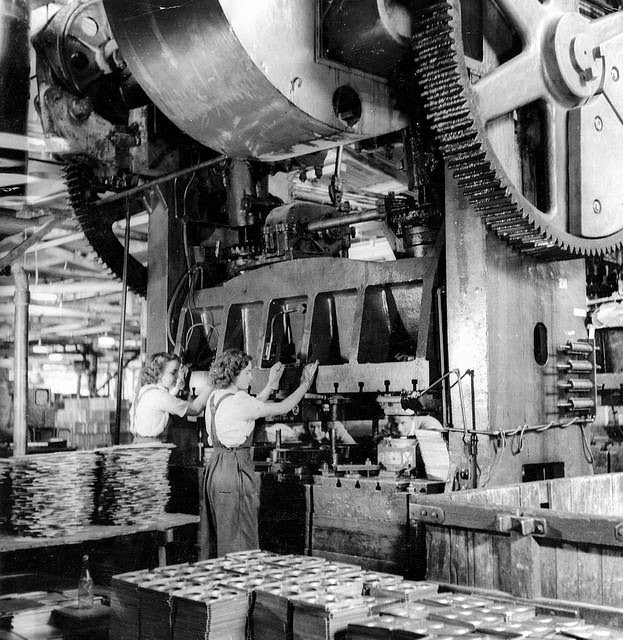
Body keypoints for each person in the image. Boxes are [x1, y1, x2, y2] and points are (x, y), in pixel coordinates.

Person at [202, 349, 318, 557]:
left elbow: (254, 405)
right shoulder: (240, 401)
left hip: (215, 469)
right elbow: (283, 407)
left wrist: (272, 384)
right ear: (233, 374)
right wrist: (305, 384)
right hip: (234, 469)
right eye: (247, 372)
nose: (251, 376)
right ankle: (238, 583)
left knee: (223, 532)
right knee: (240, 533)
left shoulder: (216, 397)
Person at [130, 352, 212, 442]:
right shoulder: (160, 397)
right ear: (159, 373)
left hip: (138, 442)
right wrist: (211, 383)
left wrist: (177, 387)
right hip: (151, 447)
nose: (177, 377)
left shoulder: (147, 390)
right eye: (173, 373)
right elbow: (195, 409)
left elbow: (164, 401)